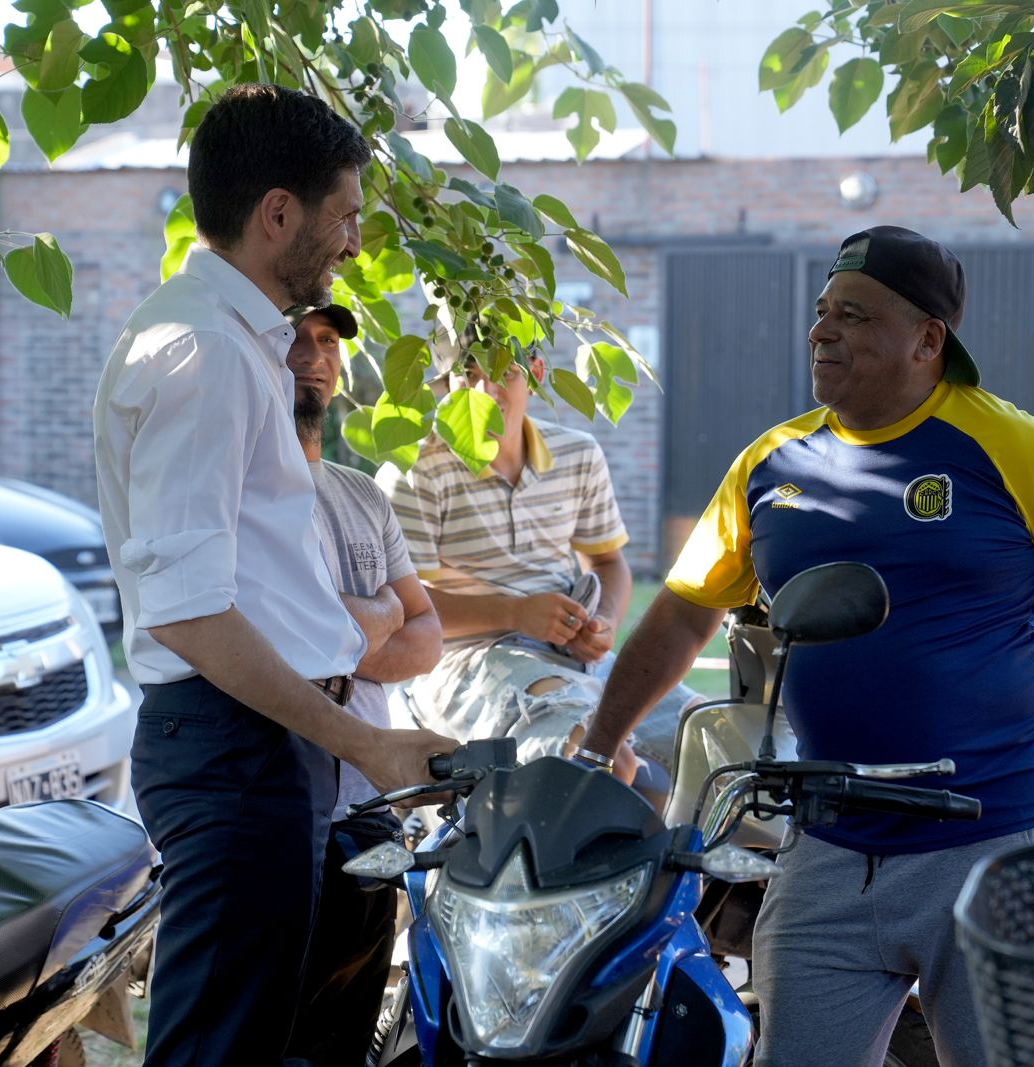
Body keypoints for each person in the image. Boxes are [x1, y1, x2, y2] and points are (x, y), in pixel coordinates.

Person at [578, 226, 1034, 1067]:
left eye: (854, 315)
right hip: (831, 844)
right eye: (823, 311)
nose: (822, 330)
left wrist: (1028, 648)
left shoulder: (1014, 447)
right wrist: (597, 746)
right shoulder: (771, 463)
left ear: (928, 340)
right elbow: (682, 613)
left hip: (993, 833)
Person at [92, 85, 451, 1067]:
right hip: (236, 750)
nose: (355, 244)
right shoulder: (203, 352)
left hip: (261, 749)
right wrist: (363, 742)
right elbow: (189, 612)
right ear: (279, 213)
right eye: (346, 215)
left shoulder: (232, 341)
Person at [376, 339, 696, 780]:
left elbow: (608, 562)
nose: (486, 391)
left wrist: (602, 624)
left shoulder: (577, 453)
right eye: (469, 375)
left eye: (503, 372)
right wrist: (515, 613)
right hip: (467, 662)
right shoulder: (416, 468)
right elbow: (402, 609)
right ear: (445, 386)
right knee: (601, 762)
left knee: (714, 738)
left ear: (536, 374)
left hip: (576, 656)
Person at [276, 303, 444, 1065]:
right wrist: (380, 615)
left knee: (344, 1036)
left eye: (326, 341)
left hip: (368, 807)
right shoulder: (248, 491)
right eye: (293, 337)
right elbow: (268, 632)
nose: (312, 355)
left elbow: (428, 638)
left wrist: (334, 630)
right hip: (275, 800)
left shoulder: (363, 495)